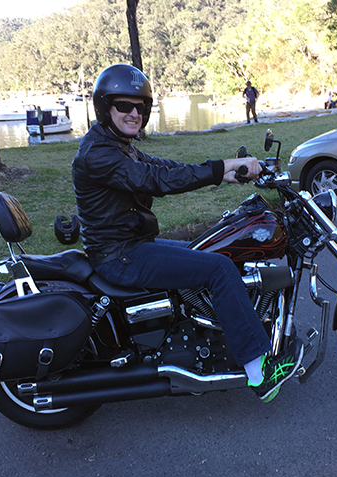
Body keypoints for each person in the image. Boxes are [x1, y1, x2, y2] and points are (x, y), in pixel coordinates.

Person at [72, 64, 301, 402]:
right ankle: (258, 371)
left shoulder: (117, 143)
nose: (134, 113)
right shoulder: (100, 153)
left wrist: (224, 170)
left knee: (208, 252)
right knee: (218, 268)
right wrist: (219, 170)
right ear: (105, 106)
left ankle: (211, 337)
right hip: (120, 254)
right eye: (124, 106)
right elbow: (156, 181)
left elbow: (163, 168)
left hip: (129, 245)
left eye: (142, 107)